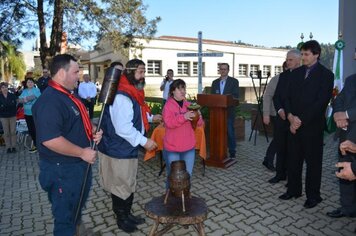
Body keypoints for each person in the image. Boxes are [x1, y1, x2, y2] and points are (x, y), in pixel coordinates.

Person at [32, 54, 103, 236]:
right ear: (62, 73)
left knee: (74, 211)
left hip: (76, 167)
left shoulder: (68, 95)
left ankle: (77, 230)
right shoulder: (50, 101)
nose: (78, 76)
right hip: (62, 170)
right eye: (76, 72)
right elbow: (50, 139)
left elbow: (77, 121)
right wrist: (82, 152)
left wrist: (93, 129)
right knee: (65, 220)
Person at [97, 59, 160, 233]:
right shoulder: (122, 95)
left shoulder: (132, 92)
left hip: (126, 147)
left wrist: (150, 118)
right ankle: (121, 218)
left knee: (128, 182)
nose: (143, 75)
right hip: (118, 148)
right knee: (120, 184)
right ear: (130, 72)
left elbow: (136, 115)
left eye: (144, 71)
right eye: (140, 71)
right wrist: (145, 141)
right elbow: (123, 127)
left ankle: (127, 213)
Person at [279, 40, 334, 209]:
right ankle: (294, 190)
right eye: (301, 54)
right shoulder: (295, 73)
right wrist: (290, 117)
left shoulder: (326, 75)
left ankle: (314, 196)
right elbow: (286, 97)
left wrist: (299, 120)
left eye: (306, 54)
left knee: (313, 163)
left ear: (316, 55)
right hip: (293, 124)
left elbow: (321, 102)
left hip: (312, 126)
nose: (303, 57)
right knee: (293, 159)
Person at [268, 50, 302, 183]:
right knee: (280, 148)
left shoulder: (304, 76)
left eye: (290, 60)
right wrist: (280, 110)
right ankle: (280, 174)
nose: (287, 62)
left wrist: (292, 115)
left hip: (296, 120)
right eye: (287, 60)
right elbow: (277, 97)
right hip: (281, 119)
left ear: (299, 60)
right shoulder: (283, 76)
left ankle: (292, 179)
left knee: (294, 151)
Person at [163, 79, 204, 188]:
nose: (182, 91)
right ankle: (170, 200)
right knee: (173, 177)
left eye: (184, 88)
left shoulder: (189, 105)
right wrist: (184, 117)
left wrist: (199, 116)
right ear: (172, 91)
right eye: (179, 88)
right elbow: (169, 123)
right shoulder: (168, 106)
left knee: (187, 176)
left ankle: (185, 200)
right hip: (172, 148)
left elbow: (199, 124)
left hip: (188, 147)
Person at [327, 73, 356, 218]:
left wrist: (347, 114)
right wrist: (338, 113)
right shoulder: (351, 79)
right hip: (344, 134)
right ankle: (347, 208)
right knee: (344, 173)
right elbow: (339, 99)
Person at [262, 61, 288, 172]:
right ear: (285, 68)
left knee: (281, 139)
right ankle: (268, 159)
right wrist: (266, 114)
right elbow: (267, 97)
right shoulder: (276, 79)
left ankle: (269, 159)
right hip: (275, 114)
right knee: (278, 139)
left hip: (289, 115)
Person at [211, 63, 239, 158]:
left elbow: (235, 96)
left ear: (228, 70)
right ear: (219, 70)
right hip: (217, 113)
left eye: (225, 69)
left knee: (230, 131)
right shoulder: (214, 82)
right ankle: (218, 150)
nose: (223, 71)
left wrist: (225, 100)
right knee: (217, 132)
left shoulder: (234, 81)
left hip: (228, 112)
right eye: (221, 69)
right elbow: (212, 97)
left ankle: (232, 151)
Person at [18, 77, 41, 153]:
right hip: (27, 113)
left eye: (31, 82)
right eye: (28, 82)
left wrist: (25, 99)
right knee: (31, 130)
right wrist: (26, 99)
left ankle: (39, 145)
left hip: (35, 113)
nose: (30, 83)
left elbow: (34, 97)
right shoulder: (24, 91)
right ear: (26, 84)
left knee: (36, 130)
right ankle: (36, 145)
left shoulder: (36, 90)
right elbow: (19, 100)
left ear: (33, 83)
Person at [0, 82, 18, 153]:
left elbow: (15, 104)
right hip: (3, 117)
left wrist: (3, 106)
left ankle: (13, 147)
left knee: (13, 132)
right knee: (6, 133)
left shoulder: (12, 95)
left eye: (6, 87)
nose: (4, 89)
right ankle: (8, 147)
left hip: (12, 116)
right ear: (1, 89)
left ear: (8, 88)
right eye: (3, 87)